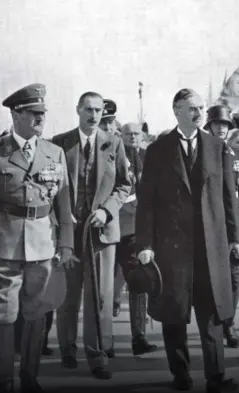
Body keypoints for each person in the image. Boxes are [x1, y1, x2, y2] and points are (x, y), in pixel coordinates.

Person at [135, 88, 239, 392]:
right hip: (172, 248)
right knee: (174, 313)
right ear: (177, 110)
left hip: (211, 246)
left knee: (212, 314)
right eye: (192, 108)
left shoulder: (217, 147)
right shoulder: (158, 150)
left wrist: (235, 238)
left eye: (201, 107)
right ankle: (180, 374)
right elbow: (148, 202)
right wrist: (145, 244)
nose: (199, 113)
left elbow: (228, 197)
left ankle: (216, 376)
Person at [0, 84, 74, 392]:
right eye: (33, 113)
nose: (40, 119)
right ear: (16, 115)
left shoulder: (53, 152)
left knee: (35, 311)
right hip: (5, 242)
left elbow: (64, 203)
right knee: (5, 312)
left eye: (43, 113)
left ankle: (30, 378)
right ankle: (5, 379)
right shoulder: (1, 150)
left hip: (43, 243)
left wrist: (67, 243)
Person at [53, 92, 131, 379]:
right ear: (77, 109)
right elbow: (48, 187)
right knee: (68, 295)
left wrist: (107, 211)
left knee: (99, 296)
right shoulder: (59, 143)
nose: (94, 115)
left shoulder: (114, 143)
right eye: (88, 109)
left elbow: (123, 185)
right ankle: (67, 350)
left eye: (98, 110)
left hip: (102, 233)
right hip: (69, 233)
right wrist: (61, 214)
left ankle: (97, 357)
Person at [112, 123, 157, 356]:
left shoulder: (147, 156)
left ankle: (138, 336)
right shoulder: (113, 153)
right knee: (107, 287)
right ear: (121, 136)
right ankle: (103, 340)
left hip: (136, 229)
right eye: (129, 134)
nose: (133, 137)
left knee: (138, 281)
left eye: (137, 134)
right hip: (114, 225)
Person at [205, 104, 239, 349]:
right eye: (218, 124)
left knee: (234, 276)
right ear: (209, 126)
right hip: (209, 222)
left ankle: (229, 322)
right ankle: (217, 324)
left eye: (226, 125)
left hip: (234, 221)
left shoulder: (236, 155)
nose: (222, 129)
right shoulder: (203, 151)